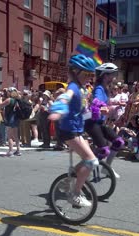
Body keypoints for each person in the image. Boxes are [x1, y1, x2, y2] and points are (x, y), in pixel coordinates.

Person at [48, 54, 98, 207]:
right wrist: (60, 105)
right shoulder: (73, 87)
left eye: (91, 75)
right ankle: (75, 193)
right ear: (76, 72)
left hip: (76, 129)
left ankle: (67, 181)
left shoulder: (82, 88)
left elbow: (80, 110)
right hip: (68, 130)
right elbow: (65, 97)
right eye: (87, 74)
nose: (90, 78)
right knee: (91, 161)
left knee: (88, 160)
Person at [85, 62, 125, 171]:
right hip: (92, 123)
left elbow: (104, 102)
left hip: (100, 123)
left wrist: (109, 105)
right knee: (104, 150)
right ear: (105, 75)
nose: (114, 77)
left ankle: (106, 169)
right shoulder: (99, 88)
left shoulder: (105, 89)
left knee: (119, 142)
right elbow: (96, 100)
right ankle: (86, 165)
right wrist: (102, 105)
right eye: (112, 74)